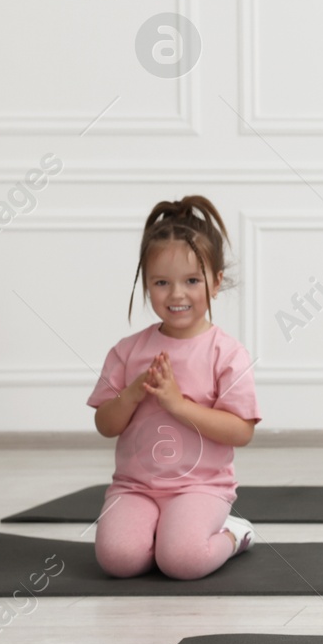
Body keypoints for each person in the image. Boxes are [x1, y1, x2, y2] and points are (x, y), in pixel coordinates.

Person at [87, 196, 261, 579]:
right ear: (147, 285)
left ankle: (233, 533)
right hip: (135, 486)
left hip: (201, 487)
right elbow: (105, 424)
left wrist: (178, 405)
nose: (176, 294)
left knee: (181, 561)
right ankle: (157, 536)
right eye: (162, 282)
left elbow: (241, 431)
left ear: (216, 283)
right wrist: (133, 393)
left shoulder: (226, 353)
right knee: (118, 559)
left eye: (192, 281)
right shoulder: (128, 351)